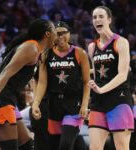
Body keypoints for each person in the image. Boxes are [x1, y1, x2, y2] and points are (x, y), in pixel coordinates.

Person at [0, 18, 57, 150]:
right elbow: (5, 73)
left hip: (7, 96)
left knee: (27, 145)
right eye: (55, 31)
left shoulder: (38, 52)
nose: (57, 36)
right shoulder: (31, 48)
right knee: (10, 146)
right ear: (48, 33)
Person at [32, 21, 90, 150]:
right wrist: (35, 102)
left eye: (64, 33)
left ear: (69, 34)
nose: (60, 36)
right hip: (53, 105)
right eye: (57, 33)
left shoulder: (79, 53)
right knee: (58, 144)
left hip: (73, 104)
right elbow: (42, 82)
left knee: (65, 145)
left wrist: (85, 104)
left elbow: (86, 82)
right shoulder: (46, 55)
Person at [88, 6, 134, 150]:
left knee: (121, 147)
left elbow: (122, 75)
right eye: (94, 17)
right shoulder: (91, 47)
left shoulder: (121, 42)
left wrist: (101, 89)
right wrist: (94, 92)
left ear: (109, 19)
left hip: (119, 99)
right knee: (94, 147)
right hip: (98, 102)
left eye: (101, 16)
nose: (97, 20)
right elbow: (95, 75)